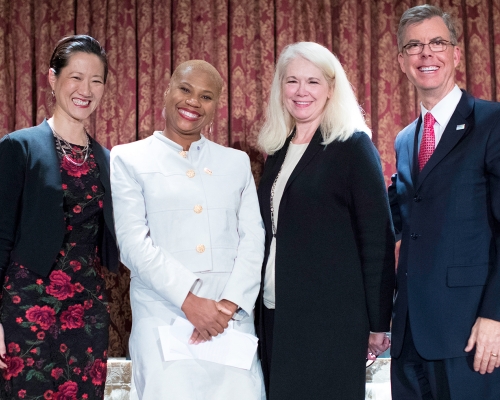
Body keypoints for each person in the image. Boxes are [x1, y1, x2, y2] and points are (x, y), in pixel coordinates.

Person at [110, 60, 266, 399]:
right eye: (185, 89)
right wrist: (188, 301)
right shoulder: (128, 159)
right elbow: (133, 244)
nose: (193, 102)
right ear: (167, 92)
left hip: (231, 324)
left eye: (206, 96)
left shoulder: (235, 163)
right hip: (163, 318)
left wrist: (227, 306)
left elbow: (253, 239)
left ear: (215, 108)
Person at [256, 41, 395, 400]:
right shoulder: (277, 149)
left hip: (331, 322)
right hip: (275, 313)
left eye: (313, 81)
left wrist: (379, 323)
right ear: (280, 88)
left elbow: (377, 239)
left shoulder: (353, 146)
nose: (301, 91)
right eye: (292, 81)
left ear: (332, 88)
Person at [389, 5, 500, 399]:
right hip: (408, 340)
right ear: (402, 61)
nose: (426, 54)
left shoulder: (492, 123)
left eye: (437, 43)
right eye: (414, 46)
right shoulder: (404, 141)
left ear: (455, 53)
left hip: (470, 335)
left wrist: (495, 316)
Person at [0, 35, 118, 399]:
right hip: (26, 307)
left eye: (96, 80)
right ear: (53, 79)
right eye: (75, 77)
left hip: (87, 310)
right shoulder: (19, 147)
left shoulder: (109, 160)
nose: (86, 90)